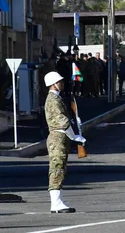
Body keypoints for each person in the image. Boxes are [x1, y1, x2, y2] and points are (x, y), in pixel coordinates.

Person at [44, 71, 85, 213]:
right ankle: (55, 203)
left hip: (61, 137)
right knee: (57, 168)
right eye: (59, 81)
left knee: (61, 168)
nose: (61, 83)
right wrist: (75, 137)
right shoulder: (53, 100)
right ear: (53, 84)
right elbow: (63, 122)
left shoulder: (58, 98)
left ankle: (58, 201)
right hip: (57, 137)